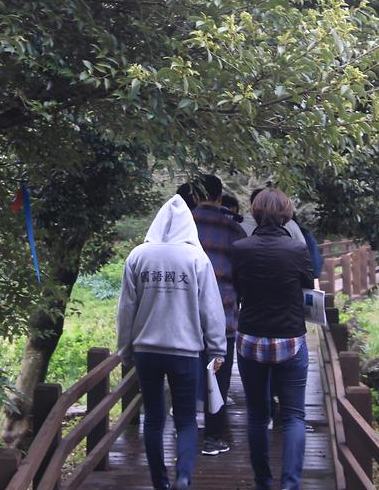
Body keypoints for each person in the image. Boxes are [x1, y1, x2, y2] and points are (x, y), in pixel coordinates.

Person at [117, 195, 226, 490]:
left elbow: (126, 308)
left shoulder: (138, 256)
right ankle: (183, 477)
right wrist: (217, 348)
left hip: (146, 351)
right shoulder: (196, 258)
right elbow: (211, 308)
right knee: (187, 419)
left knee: (153, 419)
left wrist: (124, 349)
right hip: (185, 351)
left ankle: (159, 483)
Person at [232, 188, 315, 490]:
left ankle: (263, 483)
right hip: (289, 338)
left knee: (257, 416)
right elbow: (308, 283)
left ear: (255, 213)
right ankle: (290, 485)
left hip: (250, 338)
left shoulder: (240, 248)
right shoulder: (296, 249)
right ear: (285, 214)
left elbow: (238, 288)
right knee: (293, 416)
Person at [191, 174, 247, 456]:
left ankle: (185, 430)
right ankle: (213, 437)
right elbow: (243, 273)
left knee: (186, 376)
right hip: (223, 316)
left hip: (185, 317)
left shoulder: (183, 225)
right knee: (219, 378)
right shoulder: (233, 229)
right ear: (219, 196)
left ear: (194, 195)